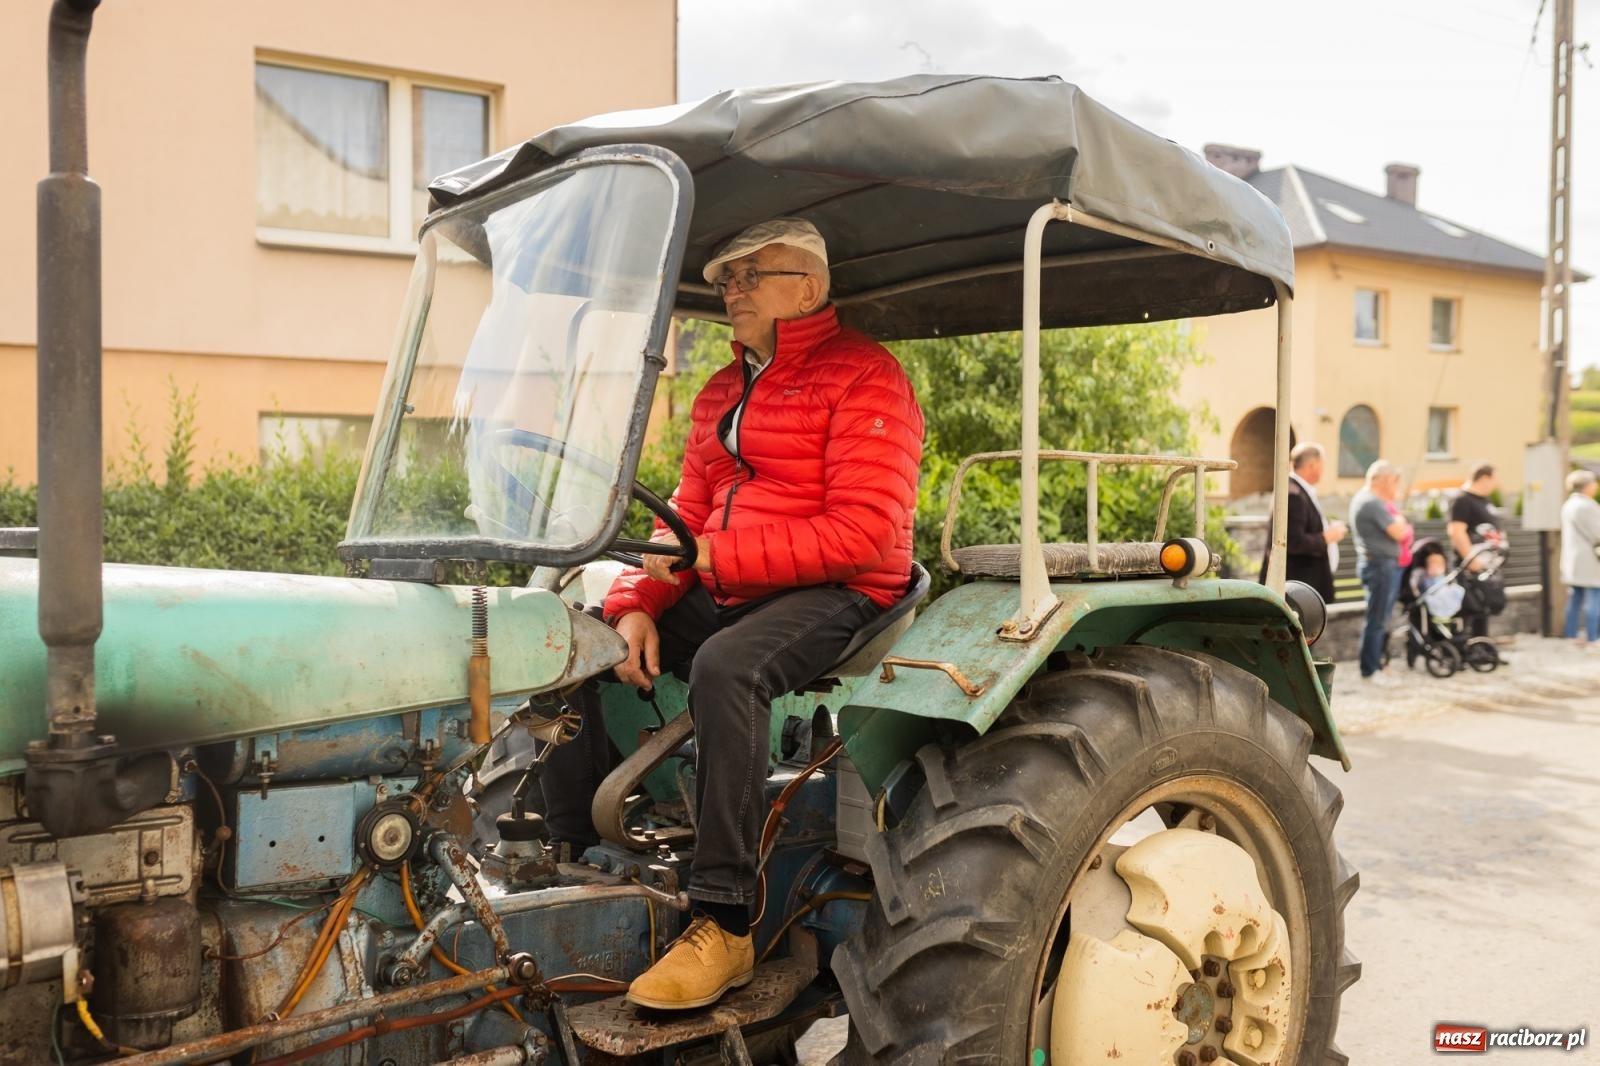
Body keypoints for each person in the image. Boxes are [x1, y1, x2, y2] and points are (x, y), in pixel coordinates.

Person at [538, 218, 924, 1011]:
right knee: (574, 634)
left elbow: (863, 533)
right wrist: (639, 601)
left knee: (728, 666)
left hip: (848, 586)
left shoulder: (866, 377)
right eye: (725, 281)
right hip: (741, 579)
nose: (731, 292)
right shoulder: (725, 387)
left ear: (808, 288)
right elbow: (688, 508)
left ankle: (725, 922)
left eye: (751, 276)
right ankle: (568, 857)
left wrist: (712, 559)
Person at [1258, 442, 1346, 602]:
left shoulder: (1298, 490)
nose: (1323, 470)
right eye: (1322, 465)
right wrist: (1326, 537)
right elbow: (1292, 541)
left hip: (1305, 584)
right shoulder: (1293, 495)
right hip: (1298, 587)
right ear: (1312, 465)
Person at [1349, 460, 1413, 684]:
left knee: (1381, 618)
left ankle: (1377, 665)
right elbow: (1399, 532)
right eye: (1394, 480)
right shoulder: (1371, 502)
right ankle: (1370, 669)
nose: (1396, 485)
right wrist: (1401, 520)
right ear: (1383, 479)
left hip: (1381, 565)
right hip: (1379, 566)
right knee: (1377, 619)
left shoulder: (1372, 501)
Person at [1447, 464, 1504, 637]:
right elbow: (1456, 531)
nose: (1496, 484)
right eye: (1494, 479)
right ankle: (1467, 647)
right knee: (1470, 607)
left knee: (1484, 606)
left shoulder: (1484, 500)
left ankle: (1482, 648)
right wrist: (1471, 559)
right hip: (1471, 564)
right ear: (1484, 478)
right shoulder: (1462, 500)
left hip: (1488, 562)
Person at [1559, 469, 1600, 644]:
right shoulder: (1587, 506)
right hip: (1589, 559)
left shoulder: (1568, 504)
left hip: (1573, 558)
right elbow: (1597, 533)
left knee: (1575, 598)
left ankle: (1571, 634)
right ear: (1588, 486)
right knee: (1594, 597)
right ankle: (1593, 637)